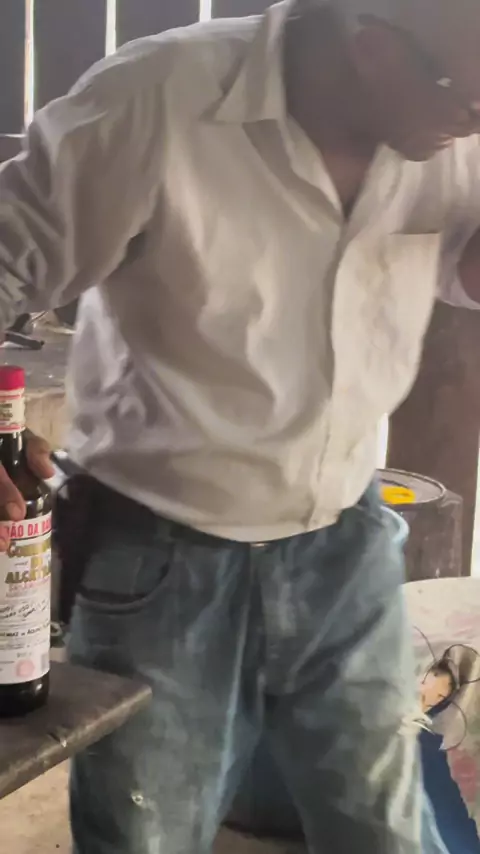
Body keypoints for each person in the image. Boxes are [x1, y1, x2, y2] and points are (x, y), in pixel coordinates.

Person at [1, 0, 480, 850]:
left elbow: (457, 266)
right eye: (469, 102)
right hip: (158, 557)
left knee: (386, 832)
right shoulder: (158, 100)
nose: (473, 126)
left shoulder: (441, 120)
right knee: (145, 835)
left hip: (347, 534)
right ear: (373, 50)